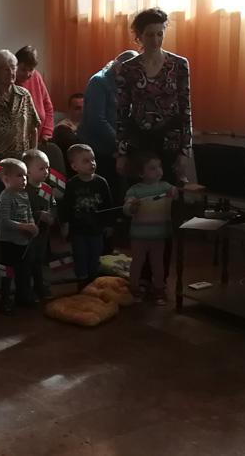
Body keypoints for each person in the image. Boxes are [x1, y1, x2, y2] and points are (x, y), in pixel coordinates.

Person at [115, 8, 192, 184]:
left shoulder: (179, 65)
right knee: (139, 193)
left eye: (159, 34)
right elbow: (121, 113)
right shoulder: (128, 68)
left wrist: (185, 151)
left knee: (169, 192)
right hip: (139, 142)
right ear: (139, 36)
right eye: (150, 35)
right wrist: (121, 153)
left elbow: (186, 110)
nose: (155, 40)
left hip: (170, 142)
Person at [124, 152, 177, 305]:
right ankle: (135, 288)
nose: (158, 170)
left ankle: (159, 289)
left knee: (158, 263)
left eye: (159, 167)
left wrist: (180, 189)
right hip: (139, 236)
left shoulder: (165, 187)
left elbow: (178, 194)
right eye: (152, 168)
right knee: (137, 262)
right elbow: (127, 209)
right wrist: (132, 207)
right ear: (141, 173)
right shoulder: (134, 190)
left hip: (159, 235)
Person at [79, 50, 138, 183]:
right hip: (99, 149)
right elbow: (97, 121)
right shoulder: (99, 82)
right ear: (119, 67)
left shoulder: (126, 83)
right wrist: (120, 146)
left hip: (119, 147)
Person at [61, 144, 113, 289]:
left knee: (95, 255)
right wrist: (65, 224)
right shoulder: (72, 185)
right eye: (86, 161)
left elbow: (108, 205)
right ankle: (82, 281)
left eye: (93, 159)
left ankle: (93, 279)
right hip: (78, 230)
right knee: (80, 255)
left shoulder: (101, 182)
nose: (92, 163)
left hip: (97, 229)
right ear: (74, 166)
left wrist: (109, 224)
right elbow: (66, 207)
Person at [0, 157, 38, 314]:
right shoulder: (5, 197)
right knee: (7, 272)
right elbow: (4, 221)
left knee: (24, 270)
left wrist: (32, 225)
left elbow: (29, 214)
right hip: (8, 242)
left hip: (23, 241)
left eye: (25, 175)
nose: (24, 179)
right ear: (6, 178)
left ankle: (22, 296)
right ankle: (5, 300)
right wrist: (24, 226)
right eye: (20, 175)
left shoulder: (24, 195)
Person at [23, 149, 54, 302]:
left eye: (47, 167)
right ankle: (26, 290)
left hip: (43, 233)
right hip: (27, 235)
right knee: (28, 261)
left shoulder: (47, 189)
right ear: (28, 171)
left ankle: (39, 285)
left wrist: (52, 215)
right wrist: (38, 215)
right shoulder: (23, 190)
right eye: (41, 168)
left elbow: (52, 205)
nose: (46, 171)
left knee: (39, 260)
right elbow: (20, 212)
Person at [14, 46, 55, 144]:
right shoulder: (9, 81)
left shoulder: (36, 76)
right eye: (23, 69)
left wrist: (47, 132)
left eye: (31, 69)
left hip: (39, 138)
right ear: (15, 66)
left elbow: (48, 107)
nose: (27, 74)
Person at [53, 93, 85, 164]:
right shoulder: (62, 129)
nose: (82, 111)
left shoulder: (89, 124)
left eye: (85, 107)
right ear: (70, 110)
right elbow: (79, 148)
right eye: (78, 108)